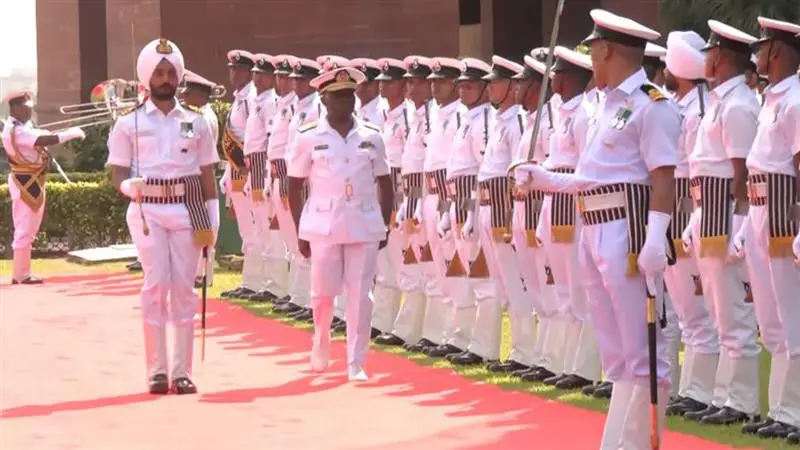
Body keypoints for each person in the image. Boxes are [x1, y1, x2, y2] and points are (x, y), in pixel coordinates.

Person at [515, 9, 680, 448]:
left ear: (609, 51)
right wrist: (545, 178)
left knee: (646, 353)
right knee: (619, 355)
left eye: (594, 52)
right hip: (594, 227)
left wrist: (654, 240)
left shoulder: (652, 104)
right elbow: (594, 177)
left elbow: (664, 176)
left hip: (628, 233)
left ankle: (642, 442)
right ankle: (617, 443)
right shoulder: (603, 106)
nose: (591, 61)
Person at [106, 38, 219, 395]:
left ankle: (182, 371)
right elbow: (118, 173)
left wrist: (212, 219)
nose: (166, 78)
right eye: (159, 72)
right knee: (156, 286)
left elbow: (206, 175)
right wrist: (127, 188)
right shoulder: (128, 123)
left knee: (184, 289)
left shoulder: (196, 122)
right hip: (146, 209)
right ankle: (156, 370)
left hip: (189, 210)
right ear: (146, 77)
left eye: (171, 72)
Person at [286, 66, 393, 381]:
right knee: (322, 293)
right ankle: (321, 342)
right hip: (323, 225)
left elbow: (386, 182)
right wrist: (300, 230)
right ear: (324, 99)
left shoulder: (372, 135)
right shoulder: (308, 137)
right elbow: (294, 185)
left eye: (349, 95)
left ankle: (355, 363)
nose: (346, 102)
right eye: (338, 96)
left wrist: (384, 224)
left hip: (363, 223)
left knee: (361, 295)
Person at [682, 19, 762, 426]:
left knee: (734, 315)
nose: (706, 59)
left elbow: (742, 173)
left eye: (711, 53)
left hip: (725, 218)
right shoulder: (719, 101)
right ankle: (721, 396)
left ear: (721, 58)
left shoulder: (739, 105)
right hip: (706, 213)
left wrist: (740, 224)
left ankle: (742, 401)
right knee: (717, 314)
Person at [735, 17, 800, 440]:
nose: (756, 56)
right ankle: (779, 408)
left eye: (761, 49)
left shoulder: (795, 98)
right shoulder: (771, 97)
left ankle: (794, 411)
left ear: (775, 51)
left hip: (781, 209)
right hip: (760, 208)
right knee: (771, 320)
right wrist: (744, 221)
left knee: (792, 317)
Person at [659, 31, 724, 418]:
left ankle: (701, 390)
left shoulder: (699, 106)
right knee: (681, 310)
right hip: (674, 210)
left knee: (697, 310)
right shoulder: (677, 104)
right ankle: (689, 388)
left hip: (689, 207)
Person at [449, 55, 522, 367]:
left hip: (498, 205)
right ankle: (487, 347)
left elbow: (506, 171)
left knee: (497, 282)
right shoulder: (483, 120)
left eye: (492, 83)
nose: (490, 88)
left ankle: (506, 350)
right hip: (480, 203)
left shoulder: (495, 122)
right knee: (489, 281)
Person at [536, 45, 601, 391]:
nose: (554, 79)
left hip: (572, 205)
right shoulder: (561, 112)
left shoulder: (583, 114)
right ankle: (564, 361)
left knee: (579, 290)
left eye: (559, 73)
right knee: (563, 290)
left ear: (573, 77)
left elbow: (585, 167)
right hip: (552, 200)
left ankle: (586, 367)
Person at [425, 57, 494, 360]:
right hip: (454, 199)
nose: (463, 91)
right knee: (462, 276)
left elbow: (481, 170)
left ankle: (483, 347)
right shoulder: (467, 118)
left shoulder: (484, 120)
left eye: (470, 86)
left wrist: (473, 212)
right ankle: (461, 336)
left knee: (481, 280)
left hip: (471, 201)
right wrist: (447, 209)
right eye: (461, 85)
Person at [506, 51, 561, 381]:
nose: (517, 88)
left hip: (542, 207)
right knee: (534, 286)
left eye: (523, 82)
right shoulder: (529, 119)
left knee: (551, 287)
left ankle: (554, 358)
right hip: (522, 208)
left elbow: (554, 165)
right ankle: (539, 354)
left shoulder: (550, 118)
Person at [2, 91, 85, 284]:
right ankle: (21, 275)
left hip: (30, 181)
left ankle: (21, 273)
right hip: (26, 184)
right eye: (27, 108)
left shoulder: (21, 127)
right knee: (25, 230)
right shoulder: (17, 130)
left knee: (27, 229)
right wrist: (70, 133)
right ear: (16, 109)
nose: (31, 111)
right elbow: (44, 140)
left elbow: (38, 135)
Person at [273, 57, 326, 322]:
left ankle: (309, 298)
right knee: (297, 239)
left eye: (302, 79)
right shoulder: (296, 106)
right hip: (292, 177)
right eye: (295, 79)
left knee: (310, 240)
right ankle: (299, 295)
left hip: (308, 179)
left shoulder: (317, 106)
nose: (297, 84)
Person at [370, 57, 412, 341]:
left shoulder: (408, 116)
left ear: (403, 85)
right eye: (381, 82)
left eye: (389, 82)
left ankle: (403, 326)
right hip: (383, 187)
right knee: (384, 259)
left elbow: (412, 160)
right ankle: (382, 320)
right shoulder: (386, 114)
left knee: (403, 260)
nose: (383, 87)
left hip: (403, 188)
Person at [243, 53, 288, 302]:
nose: (256, 79)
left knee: (272, 232)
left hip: (267, 168)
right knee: (260, 229)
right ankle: (268, 282)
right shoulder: (257, 100)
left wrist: (264, 179)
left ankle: (277, 285)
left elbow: (271, 142)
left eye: (262, 75)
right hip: (256, 168)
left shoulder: (271, 102)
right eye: (255, 74)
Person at [219, 49, 257, 299]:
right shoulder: (238, 98)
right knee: (246, 230)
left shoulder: (252, 98)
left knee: (255, 231)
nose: (233, 73)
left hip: (248, 170)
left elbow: (255, 139)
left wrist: (249, 172)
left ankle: (261, 283)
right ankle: (250, 281)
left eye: (237, 69)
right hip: (235, 169)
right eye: (231, 68)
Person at [181, 69, 222, 288]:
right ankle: (201, 273)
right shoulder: (197, 115)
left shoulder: (201, 117)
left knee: (203, 227)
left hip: (199, 176)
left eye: (188, 93)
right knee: (200, 227)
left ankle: (202, 274)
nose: (183, 97)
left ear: (199, 95)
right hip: (196, 175)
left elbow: (186, 147)